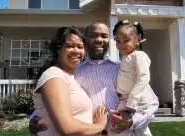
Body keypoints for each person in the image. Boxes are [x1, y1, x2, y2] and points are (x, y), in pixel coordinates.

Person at [29, 22, 159, 136]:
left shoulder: (124, 69)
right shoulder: (74, 72)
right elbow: (55, 100)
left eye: (104, 36)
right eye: (93, 35)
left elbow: (152, 104)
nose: (99, 39)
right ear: (86, 40)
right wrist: (35, 118)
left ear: (110, 40)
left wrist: (132, 120)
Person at [32, 26, 107, 136]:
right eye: (69, 46)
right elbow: (67, 127)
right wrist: (100, 126)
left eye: (80, 47)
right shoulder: (54, 75)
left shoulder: (70, 77)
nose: (76, 51)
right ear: (58, 48)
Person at [112, 20, 159, 136]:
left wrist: (132, 102)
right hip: (125, 99)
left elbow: (143, 78)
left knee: (141, 129)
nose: (121, 44)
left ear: (137, 40)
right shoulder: (126, 57)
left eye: (126, 40)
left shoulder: (139, 56)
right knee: (122, 126)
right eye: (118, 41)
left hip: (137, 100)